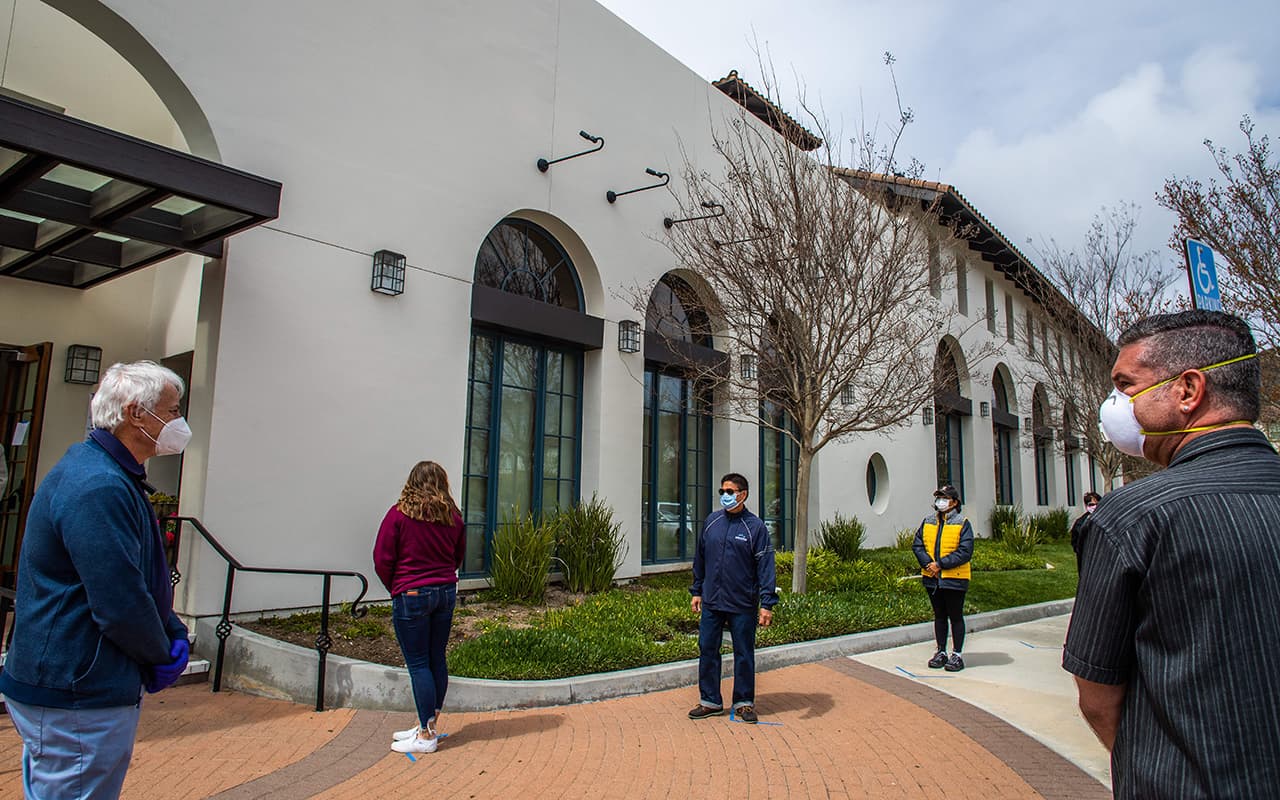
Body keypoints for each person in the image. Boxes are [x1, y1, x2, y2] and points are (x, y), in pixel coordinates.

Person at [1063, 310, 1280, 798]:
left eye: (1126, 385)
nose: (1116, 406)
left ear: (1188, 390)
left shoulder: (1131, 518)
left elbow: (1098, 694)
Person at [0, 361, 191, 800]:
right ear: (136, 413)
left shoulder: (107, 473)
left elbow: (136, 576)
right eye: (173, 410)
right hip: (77, 688)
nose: (179, 421)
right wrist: (159, 653)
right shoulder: (98, 485)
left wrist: (172, 629)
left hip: (74, 683)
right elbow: (119, 599)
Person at [373, 461, 466, 755]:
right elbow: (458, 556)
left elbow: (382, 558)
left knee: (418, 663)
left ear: (412, 482)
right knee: (436, 657)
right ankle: (429, 723)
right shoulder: (454, 518)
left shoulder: (399, 515)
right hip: (445, 591)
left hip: (411, 592)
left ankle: (426, 735)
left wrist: (396, 587)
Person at [688, 472, 778, 724]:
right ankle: (710, 701)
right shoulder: (712, 522)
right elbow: (700, 559)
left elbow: (766, 567)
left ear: (743, 494)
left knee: (743, 653)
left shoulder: (755, 528)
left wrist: (767, 604)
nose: (725, 496)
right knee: (707, 649)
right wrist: (697, 590)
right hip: (712, 601)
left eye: (730, 492)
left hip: (742, 603)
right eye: (722, 492)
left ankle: (743, 702)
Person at [912, 485, 974, 672]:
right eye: (939, 497)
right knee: (939, 616)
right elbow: (918, 545)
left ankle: (957, 654)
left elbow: (965, 551)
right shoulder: (928, 521)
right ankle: (941, 651)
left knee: (955, 616)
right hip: (932, 577)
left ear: (954, 502)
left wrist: (941, 564)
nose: (940, 501)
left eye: (945, 498)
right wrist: (928, 564)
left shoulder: (962, 523)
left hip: (955, 578)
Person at [1069, 491, 1101, 571]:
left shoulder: (1106, 520)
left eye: (1097, 504)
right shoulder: (1080, 523)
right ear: (1086, 506)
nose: (1094, 507)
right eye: (1091, 504)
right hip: (1086, 558)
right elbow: (1075, 542)